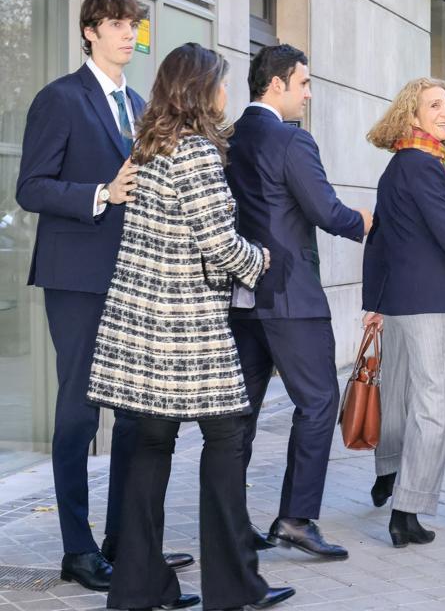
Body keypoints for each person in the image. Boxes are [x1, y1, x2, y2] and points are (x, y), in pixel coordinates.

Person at [88, 44, 294, 611]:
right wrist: (258, 260)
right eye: (221, 83)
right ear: (202, 90)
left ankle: (136, 589)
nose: (227, 93)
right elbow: (216, 242)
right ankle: (234, 588)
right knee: (227, 440)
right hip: (187, 332)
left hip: (140, 327)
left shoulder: (150, 144)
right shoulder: (198, 152)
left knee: (150, 450)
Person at [15, 0, 191, 591]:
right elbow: (30, 187)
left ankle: (126, 540)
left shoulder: (139, 104)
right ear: (89, 31)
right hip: (76, 280)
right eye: (117, 23)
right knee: (79, 415)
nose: (128, 34)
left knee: (136, 415)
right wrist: (100, 194)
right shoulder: (59, 98)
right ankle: (77, 548)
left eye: (134, 25)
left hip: (131, 282)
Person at [225, 44, 372, 560]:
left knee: (238, 415)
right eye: (304, 83)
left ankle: (227, 521)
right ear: (277, 84)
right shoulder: (292, 140)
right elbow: (327, 211)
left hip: (242, 297)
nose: (309, 94)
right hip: (291, 297)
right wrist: (366, 223)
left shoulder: (229, 138)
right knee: (318, 403)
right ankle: (295, 518)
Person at [361, 78, 445, 547]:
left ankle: (390, 474)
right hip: (430, 302)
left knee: (398, 397)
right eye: (435, 104)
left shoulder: (398, 165)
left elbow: (377, 242)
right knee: (431, 408)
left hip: (396, 301)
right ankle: (407, 509)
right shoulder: (428, 167)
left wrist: (372, 304)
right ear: (411, 115)